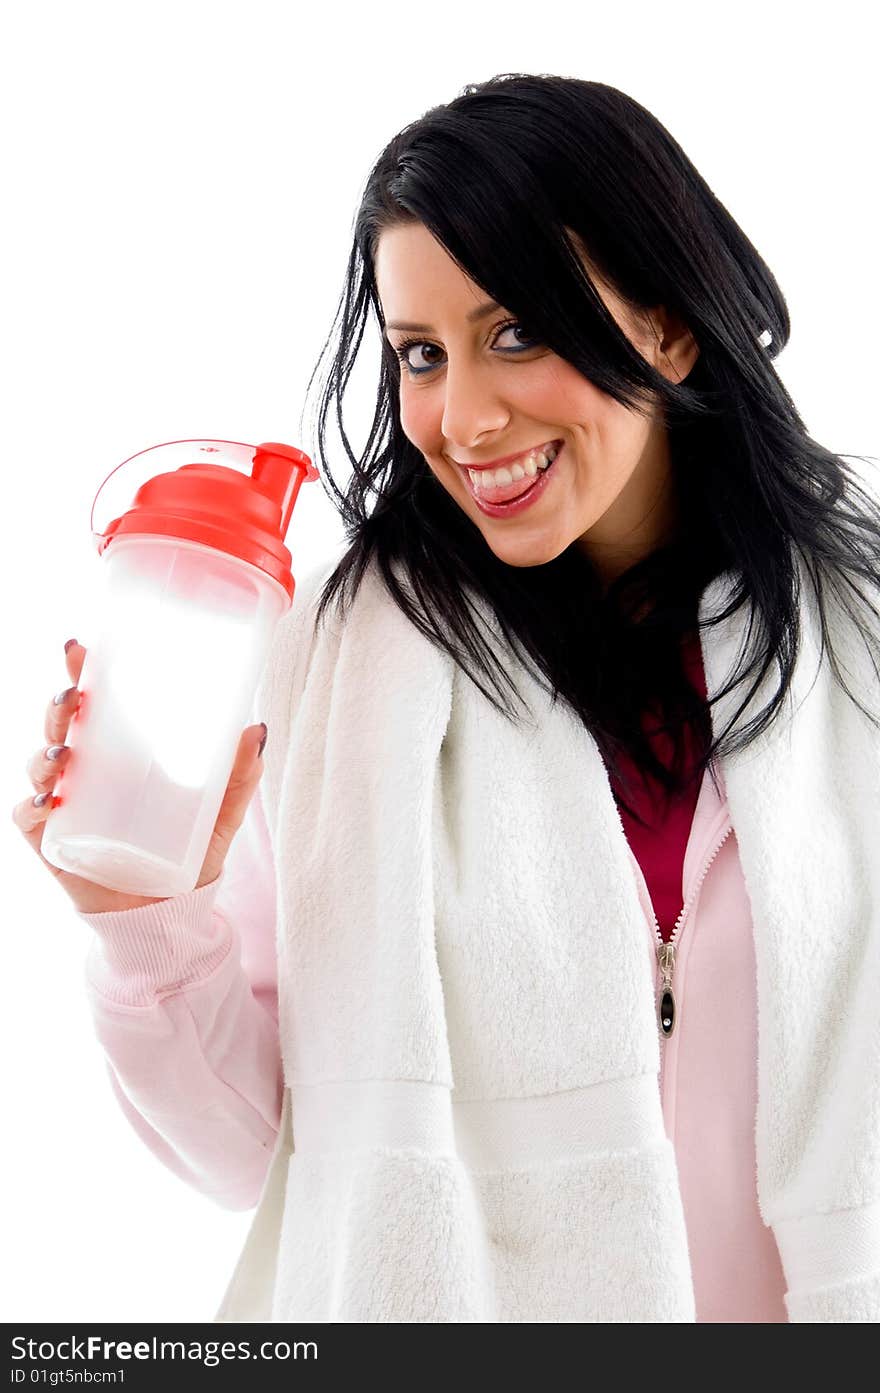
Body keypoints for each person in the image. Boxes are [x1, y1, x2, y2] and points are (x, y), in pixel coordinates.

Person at [14, 73, 880, 1324]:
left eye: (517, 332)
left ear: (671, 329)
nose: (461, 418)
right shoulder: (341, 672)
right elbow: (264, 1163)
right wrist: (145, 920)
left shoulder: (856, 654)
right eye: (420, 354)